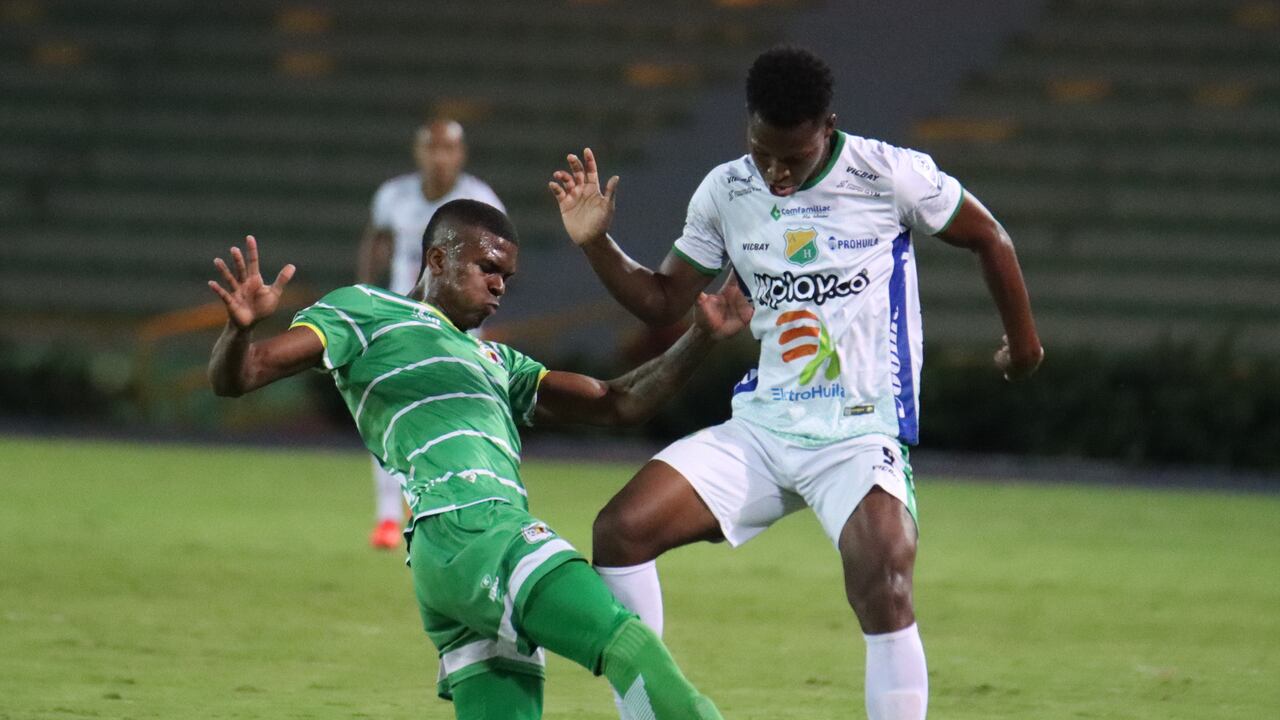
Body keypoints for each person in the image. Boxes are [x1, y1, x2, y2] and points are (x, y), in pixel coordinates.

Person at [549, 46, 1044, 720]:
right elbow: (663, 302)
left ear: (828, 128)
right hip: (765, 426)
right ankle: (650, 713)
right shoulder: (726, 191)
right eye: (763, 153)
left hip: (858, 431)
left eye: (794, 158)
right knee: (621, 530)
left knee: (883, 575)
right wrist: (595, 243)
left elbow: (990, 237)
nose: (777, 173)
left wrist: (1024, 346)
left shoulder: (888, 174)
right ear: (747, 128)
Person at [207, 199, 741, 720]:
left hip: (450, 557)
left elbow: (618, 402)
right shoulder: (366, 311)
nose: (499, 286)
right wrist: (239, 330)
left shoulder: (496, 359)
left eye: (506, 276)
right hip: (476, 527)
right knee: (624, 640)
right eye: (487, 268)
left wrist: (701, 336)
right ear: (438, 259)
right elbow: (243, 374)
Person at [356, 118, 505, 549]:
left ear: (461, 154)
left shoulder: (479, 200)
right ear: (418, 152)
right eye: (432, 148)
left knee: (456, 421)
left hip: (457, 331)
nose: (440, 157)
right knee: (386, 412)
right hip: (401, 322)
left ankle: (447, 509)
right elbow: (376, 242)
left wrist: (483, 303)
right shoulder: (394, 195)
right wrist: (366, 298)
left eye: (448, 148)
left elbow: (503, 258)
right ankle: (388, 518)